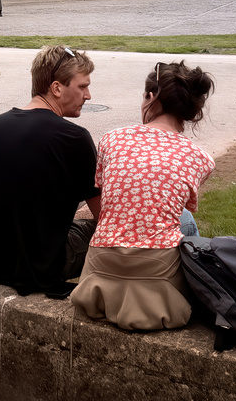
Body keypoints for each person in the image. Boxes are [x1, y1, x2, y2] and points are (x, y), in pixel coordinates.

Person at [70, 61, 213, 330]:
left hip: (101, 265)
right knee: (185, 219)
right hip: (158, 275)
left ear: (151, 96)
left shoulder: (111, 139)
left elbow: (107, 190)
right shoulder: (200, 158)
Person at [0, 45, 99, 298]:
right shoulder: (74, 138)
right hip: (41, 268)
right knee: (112, 224)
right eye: (83, 86)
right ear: (57, 88)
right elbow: (106, 218)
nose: (88, 96)